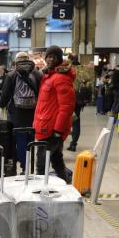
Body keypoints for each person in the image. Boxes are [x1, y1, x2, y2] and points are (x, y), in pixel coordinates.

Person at [33, 45, 75, 182]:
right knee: (56, 160)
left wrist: (58, 130)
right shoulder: (48, 76)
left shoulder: (60, 78)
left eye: (54, 57)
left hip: (52, 129)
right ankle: (65, 182)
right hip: (45, 124)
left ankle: (40, 189)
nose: (51, 59)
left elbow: (67, 107)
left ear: (59, 59)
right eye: (48, 56)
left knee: (41, 164)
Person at [67, 54, 87, 152]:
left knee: (64, 119)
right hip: (79, 99)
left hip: (68, 98)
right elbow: (88, 83)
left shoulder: (67, 69)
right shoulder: (83, 69)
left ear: (69, 59)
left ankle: (59, 143)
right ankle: (73, 143)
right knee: (76, 121)